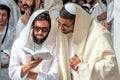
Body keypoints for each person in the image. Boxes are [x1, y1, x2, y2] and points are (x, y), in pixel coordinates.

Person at [56, 3, 120, 80]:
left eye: (65, 26)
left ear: (77, 22)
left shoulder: (99, 34)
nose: (60, 28)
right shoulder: (63, 34)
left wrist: (82, 67)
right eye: (59, 23)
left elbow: (111, 67)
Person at [9, 9, 58, 80]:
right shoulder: (19, 43)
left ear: (49, 29)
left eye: (44, 29)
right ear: (32, 26)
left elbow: (53, 77)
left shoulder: (55, 47)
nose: (40, 32)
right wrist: (28, 66)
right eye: (37, 28)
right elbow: (12, 72)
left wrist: (26, 71)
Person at [0, 4, 16, 80]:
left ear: (8, 17)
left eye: (4, 15)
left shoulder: (14, 32)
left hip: (7, 69)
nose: (0, 18)